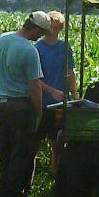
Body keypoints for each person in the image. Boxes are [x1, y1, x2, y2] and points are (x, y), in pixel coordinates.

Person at [0, 11, 51, 197]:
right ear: (35, 29)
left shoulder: (3, 39)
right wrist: (38, 112)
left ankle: (1, 196)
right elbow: (35, 87)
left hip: (2, 103)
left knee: (5, 152)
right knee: (22, 154)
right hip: (21, 107)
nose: (40, 37)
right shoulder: (29, 51)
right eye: (41, 33)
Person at [34, 10, 77, 170]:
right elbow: (34, 79)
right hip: (42, 101)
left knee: (58, 139)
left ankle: (55, 168)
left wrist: (74, 95)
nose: (55, 31)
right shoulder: (37, 48)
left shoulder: (64, 47)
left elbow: (70, 73)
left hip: (60, 102)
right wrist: (50, 91)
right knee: (36, 138)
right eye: (53, 27)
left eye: (58, 28)